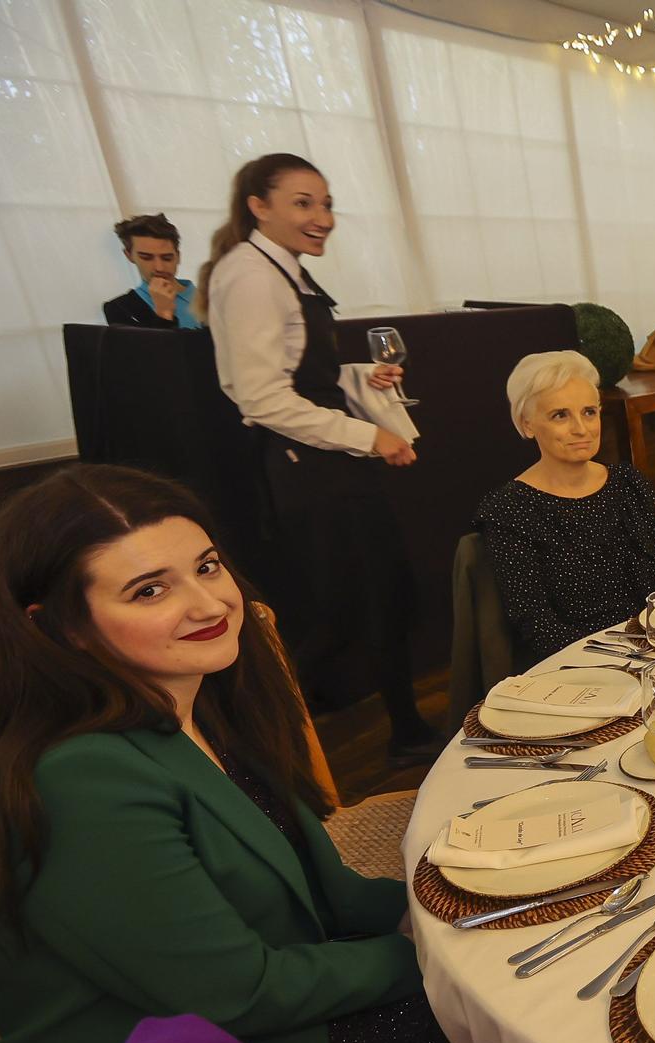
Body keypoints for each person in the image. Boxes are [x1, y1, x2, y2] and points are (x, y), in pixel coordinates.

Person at [0, 465, 463, 1043]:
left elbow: (325, 891)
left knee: (523, 975)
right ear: (60, 627)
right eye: (150, 589)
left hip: (246, 1025)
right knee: (506, 1007)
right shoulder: (77, 777)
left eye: (206, 566)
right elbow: (237, 991)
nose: (208, 601)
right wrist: (432, 956)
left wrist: (465, 904)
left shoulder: (195, 701)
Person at [198, 152, 436, 764]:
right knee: (332, 615)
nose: (322, 217)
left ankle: (406, 731)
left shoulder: (281, 271)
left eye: (326, 203)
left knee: (377, 596)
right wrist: (368, 436)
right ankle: (252, 749)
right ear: (259, 206)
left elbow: (302, 375)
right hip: (306, 470)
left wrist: (361, 375)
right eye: (303, 203)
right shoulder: (250, 274)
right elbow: (259, 396)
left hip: (326, 465)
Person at [475, 351, 655, 666]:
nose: (581, 429)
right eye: (560, 415)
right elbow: (538, 627)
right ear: (526, 424)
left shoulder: (627, 484)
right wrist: (623, 662)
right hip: (574, 668)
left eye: (589, 412)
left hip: (652, 654)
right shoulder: (510, 510)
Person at [102, 213, 199, 330]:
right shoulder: (121, 308)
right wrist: (164, 313)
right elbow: (150, 348)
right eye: (146, 258)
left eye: (167, 258)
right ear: (129, 255)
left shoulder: (209, 298)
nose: (159, 268)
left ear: (178, 256)